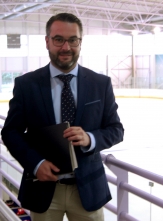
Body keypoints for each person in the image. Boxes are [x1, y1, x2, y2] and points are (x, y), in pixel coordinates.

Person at [1, 13, 124, 221]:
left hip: (88, 189)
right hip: (44, 189)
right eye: (58, 39)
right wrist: (36, 164)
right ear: (47, 42)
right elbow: (10, 132)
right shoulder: (26, 85)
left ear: (80, 42)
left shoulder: (100, 84)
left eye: (72, 40)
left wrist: (90, 139)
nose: (66, 47)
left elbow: (116, 129)